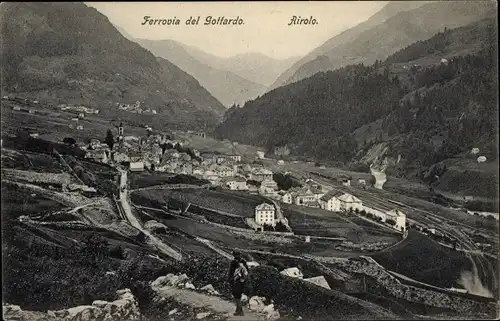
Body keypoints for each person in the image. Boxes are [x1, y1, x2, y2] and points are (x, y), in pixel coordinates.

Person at [228, 250, 249, 316]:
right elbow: (247, 271)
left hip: (236, 281)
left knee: (236, 296)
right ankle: (237, 310)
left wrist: (230, 280)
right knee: (238, 296)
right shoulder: (243, 261)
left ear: (234, 255)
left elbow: (231, 272)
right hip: (243, 281)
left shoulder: (233, 262)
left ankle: (240, 311)